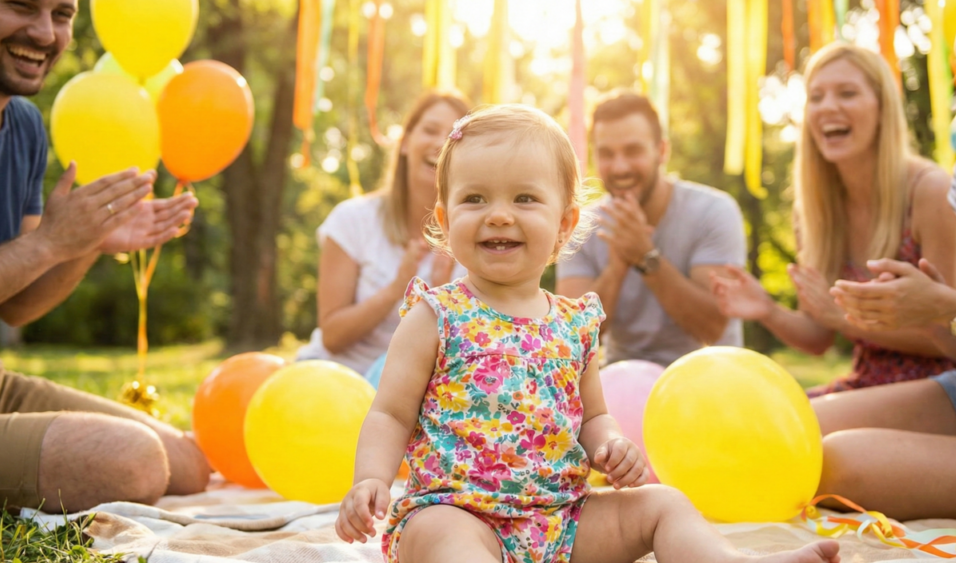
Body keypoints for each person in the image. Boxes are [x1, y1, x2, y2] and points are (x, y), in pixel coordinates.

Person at [334, 104, 840, 563]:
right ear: (446, 220)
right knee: (442, 536)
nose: (499, 214)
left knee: (663, 504)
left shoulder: (573, 323)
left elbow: (592, 416)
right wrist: (371, 479)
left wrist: (611, 444)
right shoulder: (436, 315)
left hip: (562, 521)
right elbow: (390, 413)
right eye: (474, 198)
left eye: (525, 198)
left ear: (564, 223)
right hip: (458, 512)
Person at [0, 0, 208, 513]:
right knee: (135, 462)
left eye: (62, 14)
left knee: (188, 462)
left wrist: (86, 242)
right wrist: (49, 242)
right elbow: (38, 248)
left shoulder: (25, 127)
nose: (45, 33)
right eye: (20, 5)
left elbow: (16, 306)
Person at [813, 0, 956, 522]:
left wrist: (949, 307)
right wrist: (926, 309)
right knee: (789, 427)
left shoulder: (928, 185)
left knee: (834, 462)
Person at [711, 43, 956, 397]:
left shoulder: (929, 191)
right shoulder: (814, 209)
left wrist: (845, 319)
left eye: (847, 93)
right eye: (816, 97)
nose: (828, 107)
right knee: (751, 412)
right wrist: (767, 310)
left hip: (947, 385)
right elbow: (819, 337)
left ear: (882, 108)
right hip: (868, 383)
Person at [556, 91, 746, 368]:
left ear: (662, 151)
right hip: (623, 377)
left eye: (633, 151)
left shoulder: (714, 211)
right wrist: (616, 269)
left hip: (710, 374)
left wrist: (646, 257)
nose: (620, 167)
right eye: (606, 154)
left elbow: (712, 329)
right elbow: (570, 340)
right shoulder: (581, 224)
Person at [295, 91, 470, 379]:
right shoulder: (352, 219)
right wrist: (398, 288)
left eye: (453, 136)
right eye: (430, 130)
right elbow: (332, 337)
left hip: (416, 390)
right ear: (405, 143)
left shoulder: (476, 237)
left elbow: (468, 357)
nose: (441, 143)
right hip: (334, 380)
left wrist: (441, 299)